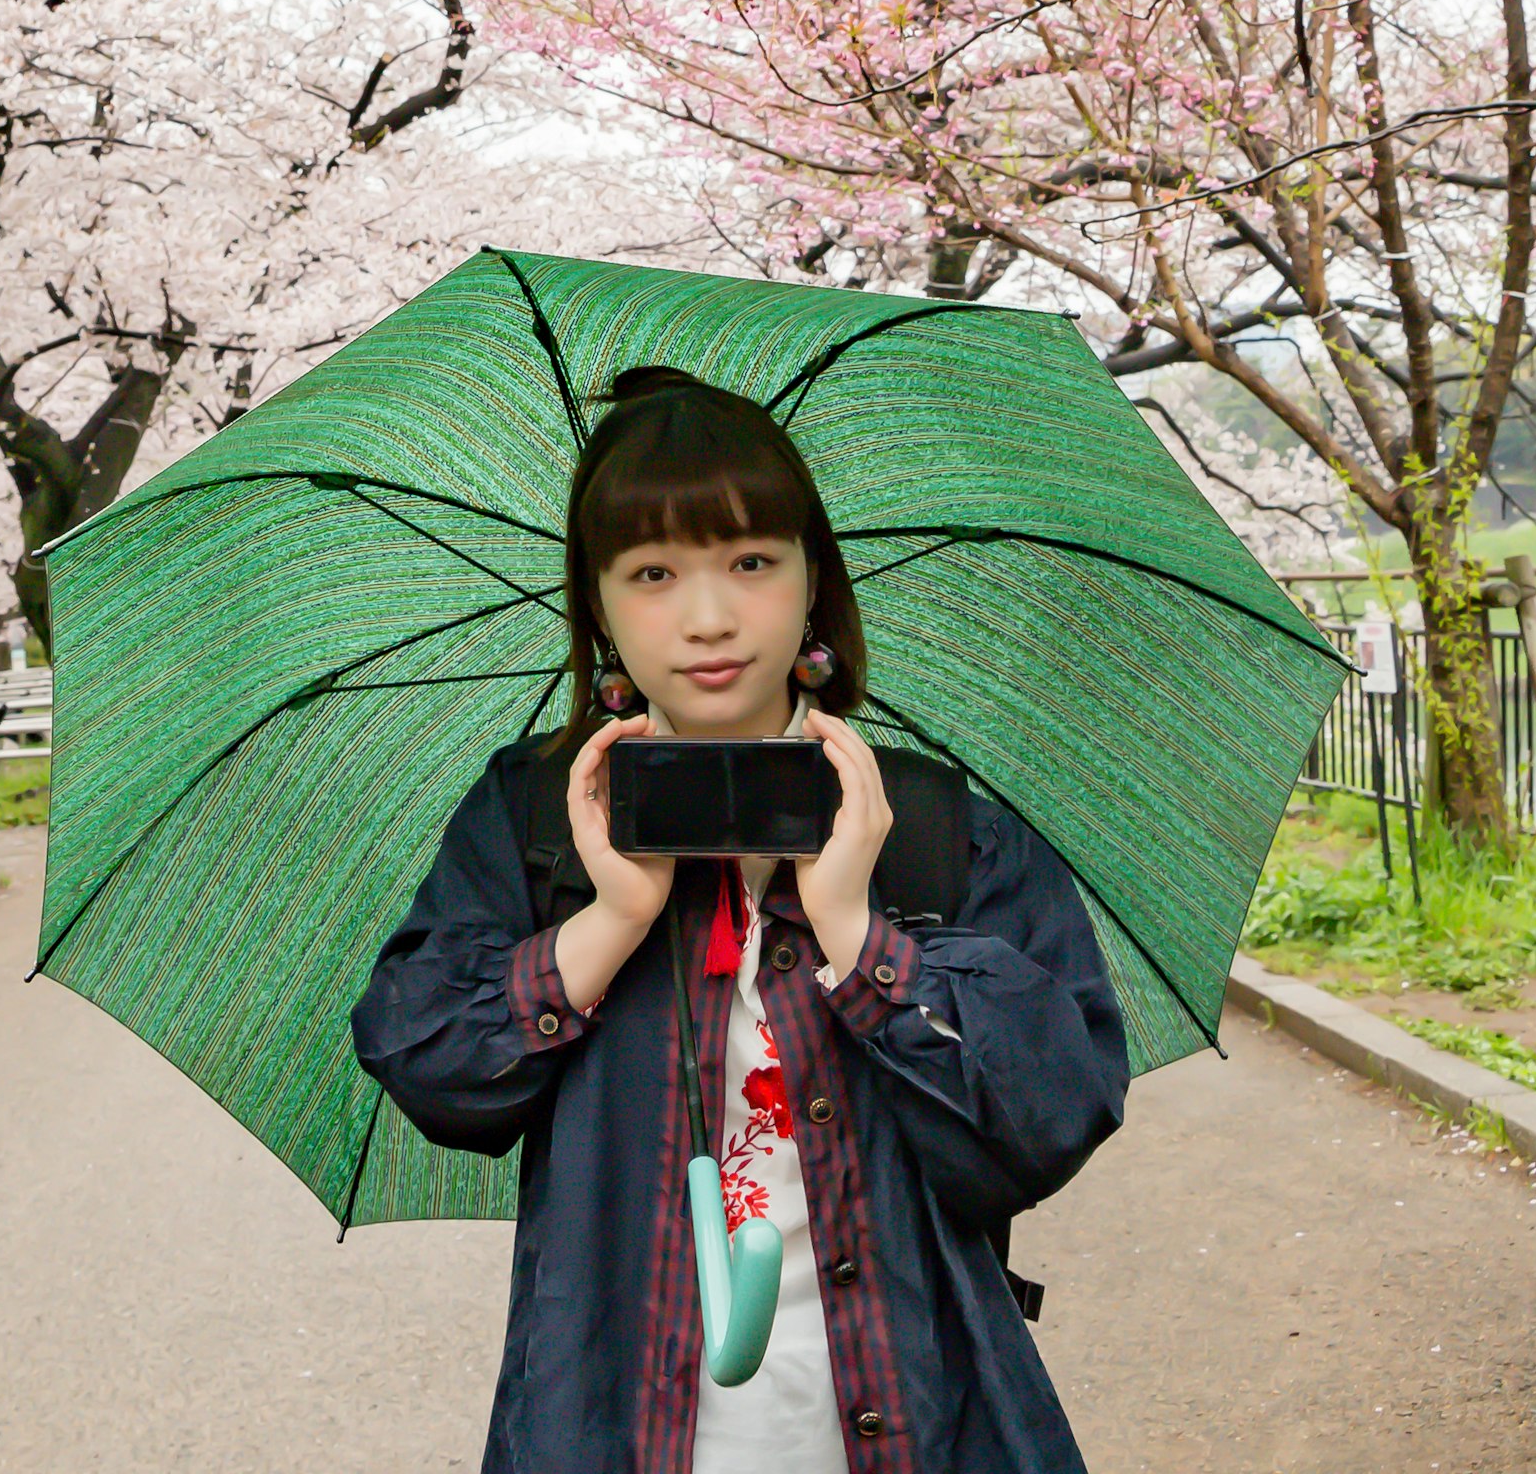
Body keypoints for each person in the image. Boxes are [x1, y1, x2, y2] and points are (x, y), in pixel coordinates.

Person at [351, 368, 1131, 1474]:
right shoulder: (533, 822)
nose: (709, 617)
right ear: (600, 604)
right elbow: (426, 1061)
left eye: (752, 563)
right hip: (617, 1425)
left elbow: (1051, 1115)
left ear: (814, 582)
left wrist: (860, 936)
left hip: (917, 1422)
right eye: (653, 572)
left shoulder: (936, 827)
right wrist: (612, 918)